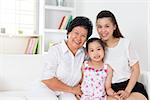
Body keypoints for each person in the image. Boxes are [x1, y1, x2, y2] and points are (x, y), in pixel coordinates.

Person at [96, 10, 148, 100]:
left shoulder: (125, 44)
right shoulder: (97, 48)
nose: (103, 30)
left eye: (107, 26)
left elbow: (136, 70)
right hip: (110, 89)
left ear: (114, 26)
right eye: (99, 27)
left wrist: (127, 91)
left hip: (130, 87)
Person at [40, 16, 93, 100]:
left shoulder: (85, 54)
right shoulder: (55, 50)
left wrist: (81, 89)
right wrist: (73, 90)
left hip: (68, 92)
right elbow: (47, 79)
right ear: (68, 32)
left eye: (83, 36)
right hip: (47, 89)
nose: (79, 38)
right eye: (76, 33)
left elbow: (89, 73)